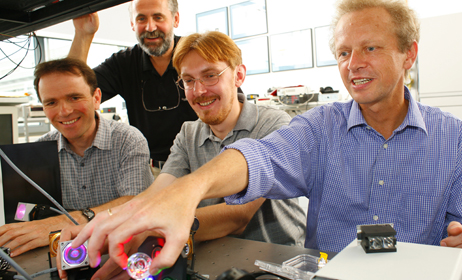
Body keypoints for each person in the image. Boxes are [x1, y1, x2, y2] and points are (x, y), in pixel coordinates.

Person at [69, 0, 462, 279]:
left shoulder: (451, 140)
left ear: (408, 53)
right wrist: (187, 193)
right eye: (342, 52)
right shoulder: (321, 128)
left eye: (370, 48)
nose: (353, 64)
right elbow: (258, 158)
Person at [57, 31, 305, 280]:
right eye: (188, 80)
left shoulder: (273, 124)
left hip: (277, 264)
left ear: (238, 75)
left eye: (210, 76)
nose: (199, 91)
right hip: (216, 260)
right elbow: (156, 194)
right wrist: (102, 224)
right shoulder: (189, 133)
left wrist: (151, 227)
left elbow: (238, 215)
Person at [0, 58, 153, 257]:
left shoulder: (128, 140)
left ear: (96, 98)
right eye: (51, 102)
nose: (64, 111)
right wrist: (24, 217)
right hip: (65, 253)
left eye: (74, 97)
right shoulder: (38, 151)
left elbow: (135, 203)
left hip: (121, 251)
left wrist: (65, 221)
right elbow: (23, 214)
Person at [68, 0, 198, 177]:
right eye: (141, 19)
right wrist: (83, 34)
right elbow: (72, 90)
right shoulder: (124, 63)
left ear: (175, 19)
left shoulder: (196, 54)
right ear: (132, 24)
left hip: (199, 165)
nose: (150, 27)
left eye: (158, 17)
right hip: (152, 171)